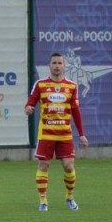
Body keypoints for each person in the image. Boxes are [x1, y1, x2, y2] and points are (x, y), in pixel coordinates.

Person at [24, 52, 89, 211]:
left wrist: (81, 134)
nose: (57, 66)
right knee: (44, 165)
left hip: (65, 134)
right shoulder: (40, 85)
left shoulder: (72, 86)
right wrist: (29, 108)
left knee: (68, 166)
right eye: (54, 63)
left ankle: (70, 197)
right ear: (49, 65)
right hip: (46, 133)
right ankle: (43, 201)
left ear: (64, 66)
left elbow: (76, 111)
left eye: (60, 63)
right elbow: (30, 102)